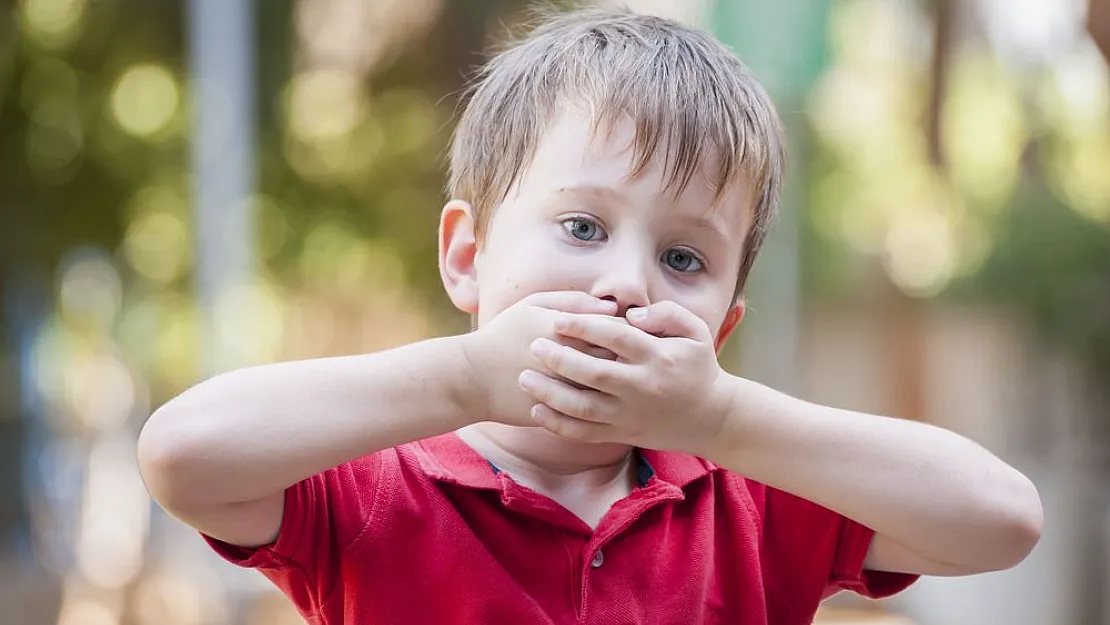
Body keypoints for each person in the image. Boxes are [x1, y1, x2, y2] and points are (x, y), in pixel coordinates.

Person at [138, 7, 1043, 624]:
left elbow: (1001, 519)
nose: (626, 284)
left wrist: (720, 416)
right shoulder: (375, 484)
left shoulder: (756, 497)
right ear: (467, 256)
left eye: (683, 258)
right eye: (581, 226)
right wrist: (465, 377)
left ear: (722, 327)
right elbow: (183, 454)